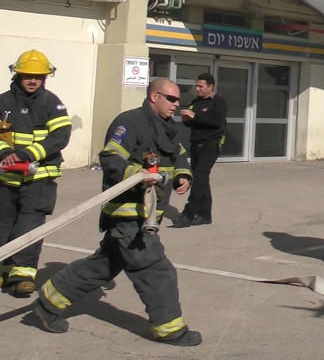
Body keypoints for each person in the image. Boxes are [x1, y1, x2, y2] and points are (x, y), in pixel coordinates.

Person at [28, 78, 201, 346]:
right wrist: (138, 176)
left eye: (178, 100)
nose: (177, 105)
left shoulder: (165, 127)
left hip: (147, 213)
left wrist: (182, 175)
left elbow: (177, 155)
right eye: (172, 99)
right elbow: (110, 157)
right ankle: (170, 329)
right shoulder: (130, 122)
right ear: (154, 96)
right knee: (156, 270)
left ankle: (47, 304)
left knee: (102, 266)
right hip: (127, 213)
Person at [0, 50, 71, 298]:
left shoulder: (52, 103)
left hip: (39, 175)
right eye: (28, 75)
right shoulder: (4, 102)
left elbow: (60, 136)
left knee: (30, 225)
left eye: (38, 76)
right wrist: (4, 153)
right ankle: (3, 268)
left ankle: (22, 276)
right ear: (18, 76)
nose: (33, 80)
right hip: (6, 176)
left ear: (45, 78)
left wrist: (28, 154)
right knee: (3, 224)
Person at [177, 72, 227, 227]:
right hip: (196, 144)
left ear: (210, 87)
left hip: (210, 144)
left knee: (199, 177)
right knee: (202, 181)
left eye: (200, 86)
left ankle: (189, 213)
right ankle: (205, 215)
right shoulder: (196, 102)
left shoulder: (218, 102)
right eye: (196, 86)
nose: (197, 89)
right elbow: (193, 122)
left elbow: (216, 122)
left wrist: (195, 116)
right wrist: (187, 119)